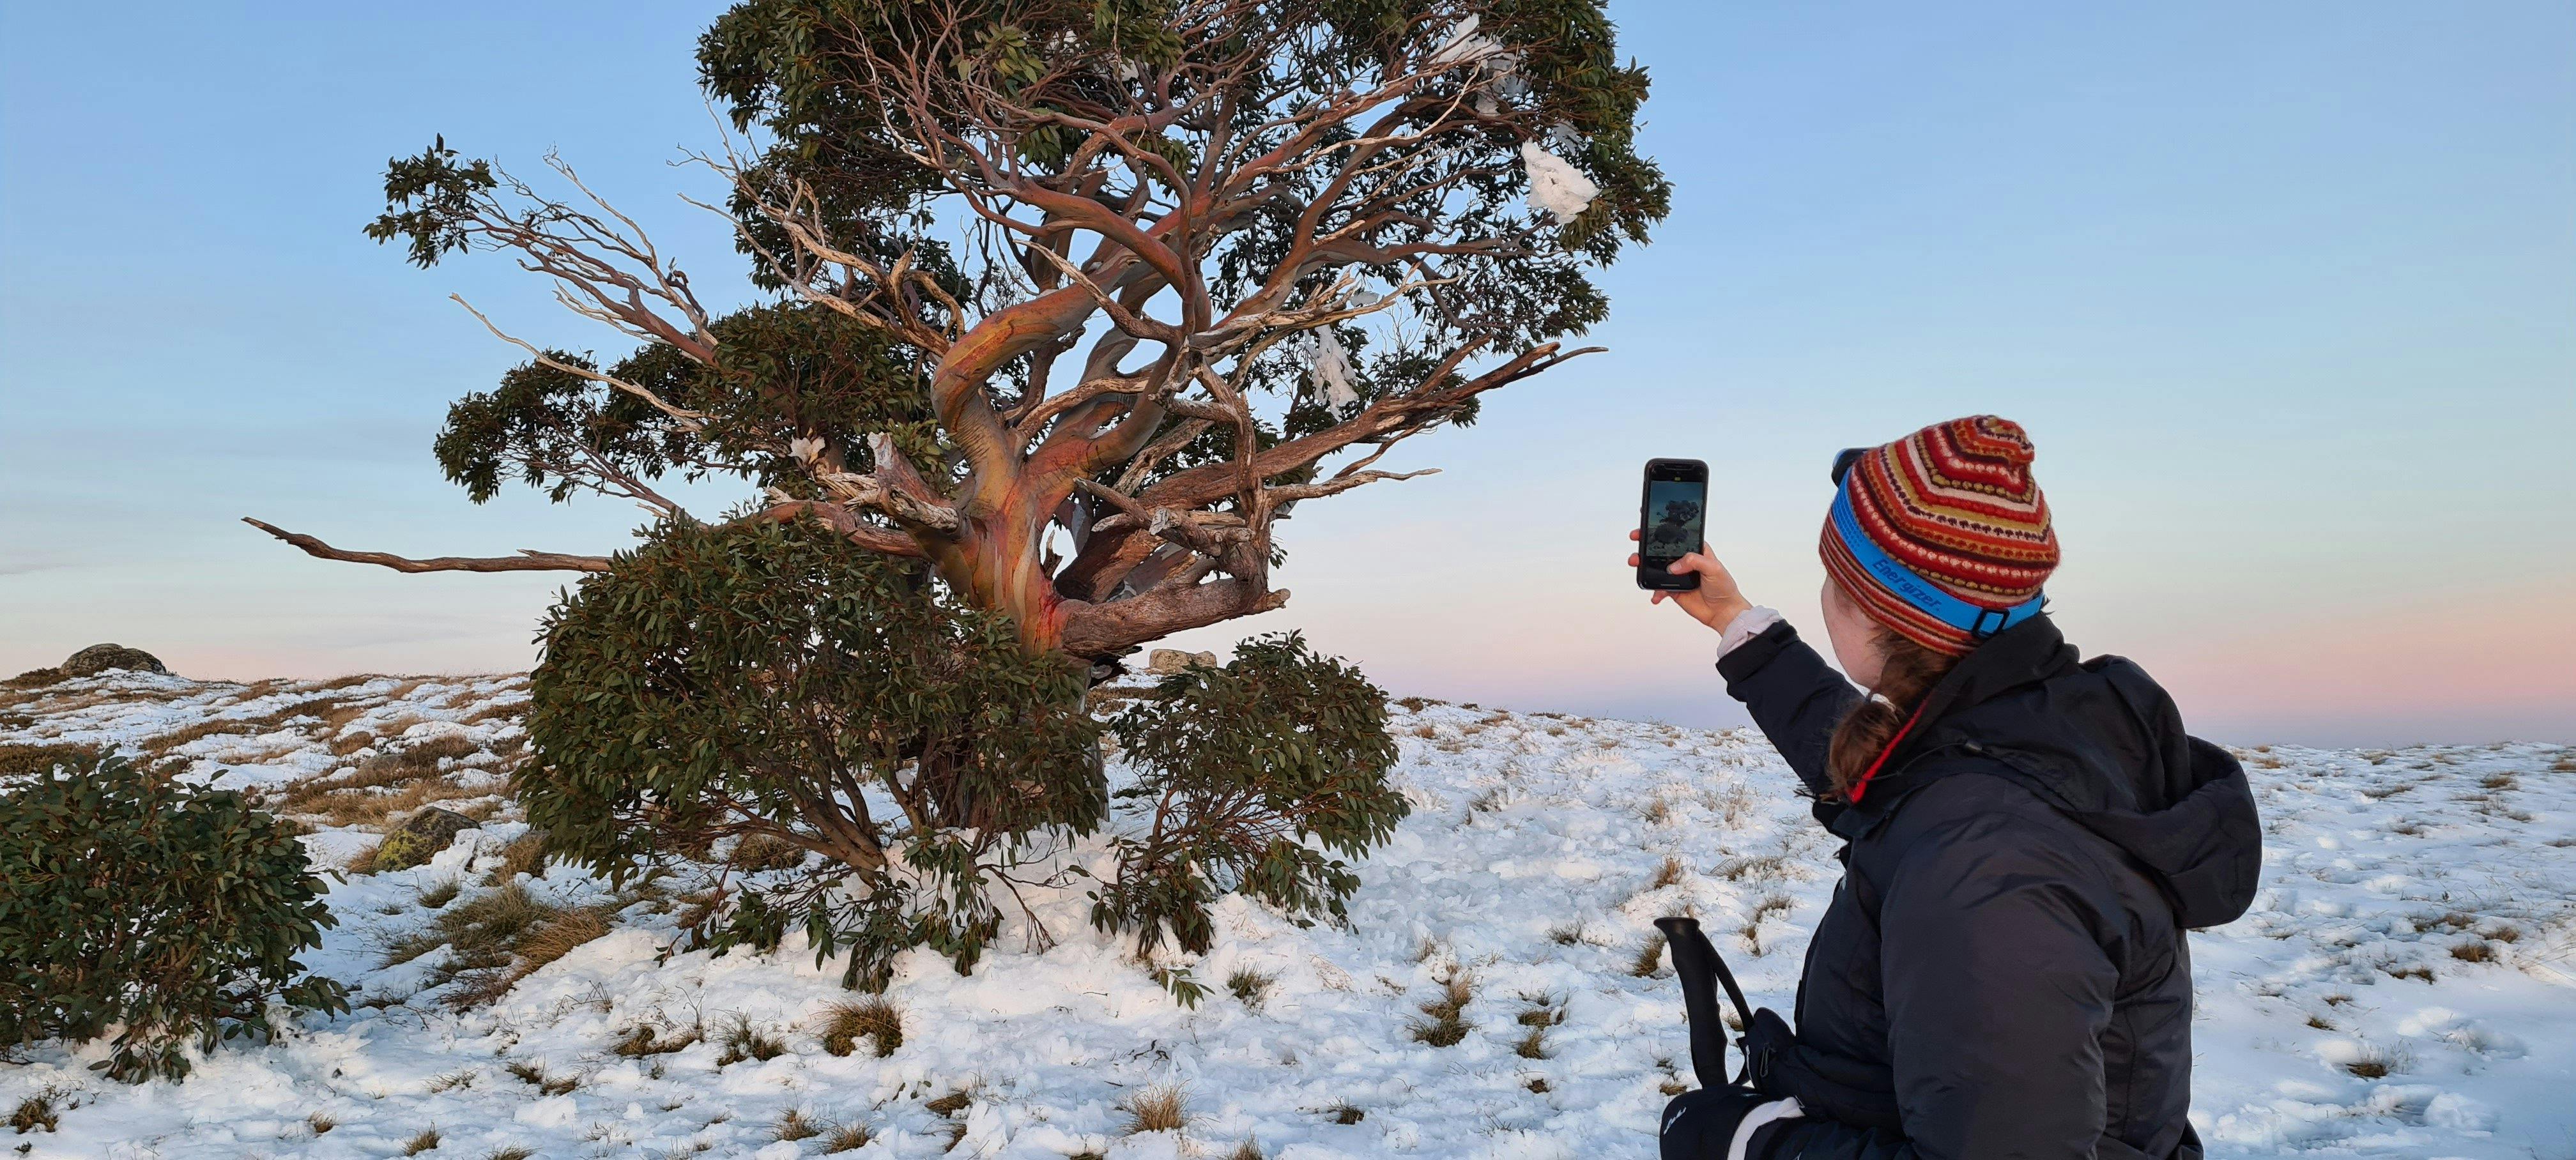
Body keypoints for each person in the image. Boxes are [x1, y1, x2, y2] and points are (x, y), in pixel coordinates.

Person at [1630, 416, 2262, 1160]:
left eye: (1835, 575)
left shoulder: (1989, 866)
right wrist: (1738, 625)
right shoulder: (2038, 719)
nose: (1826, 591)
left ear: (1879, 611)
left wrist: (1749, 1143)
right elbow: (1890, 768)